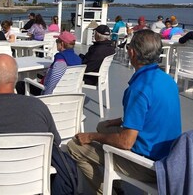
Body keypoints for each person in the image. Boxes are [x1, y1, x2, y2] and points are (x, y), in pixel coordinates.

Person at [67, 29, 182, 195]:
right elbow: (152, 113)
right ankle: (115, 182)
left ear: (132, 52)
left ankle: (109, 191)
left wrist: (91, 136)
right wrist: (117, 121)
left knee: (75, 146)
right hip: (168, 158)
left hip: (148, 165)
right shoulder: (167, 80)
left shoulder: (139, 89)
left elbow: (126, 142)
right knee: (102, 126)